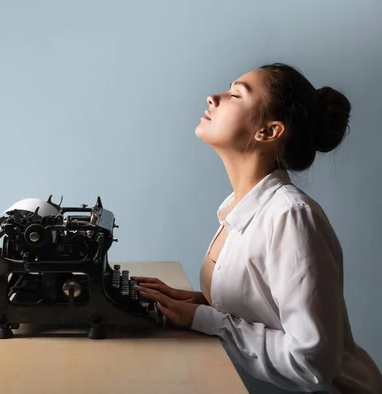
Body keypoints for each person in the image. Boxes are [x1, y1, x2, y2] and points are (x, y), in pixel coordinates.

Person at [131, 63, 382, 393]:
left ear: (268, 131)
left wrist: (201, 319)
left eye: (235, 94)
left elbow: (312, 362)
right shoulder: (240, 208)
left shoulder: (291, 216)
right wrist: (198, 304)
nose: (213, 98)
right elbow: (266, 312)